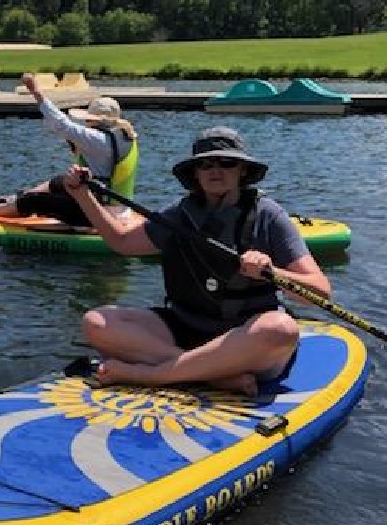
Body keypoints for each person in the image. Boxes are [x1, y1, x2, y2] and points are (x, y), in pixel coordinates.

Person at [60, 126, 330, 396]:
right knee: (96, 321)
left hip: (245, 339)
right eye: (205, 164)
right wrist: (82, 195)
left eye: (227, 162)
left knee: (280, 330)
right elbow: (122, 242)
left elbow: (320, 292)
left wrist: (274, 272)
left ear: (243, 171)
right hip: (186, 329)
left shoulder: (269, 216)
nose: (216, 170)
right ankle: (209, 376)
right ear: (195, 173)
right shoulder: (179, 215)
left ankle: (153, 375)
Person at [0, 73, 138, 226]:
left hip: (100, 216)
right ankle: (11, 200)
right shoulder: (124, 136)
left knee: (34, 202)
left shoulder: (97, 139)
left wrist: (35, 91)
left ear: (94, 120)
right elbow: (98, 161)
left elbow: (61, 124)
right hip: (115, 209)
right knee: (59, 181)